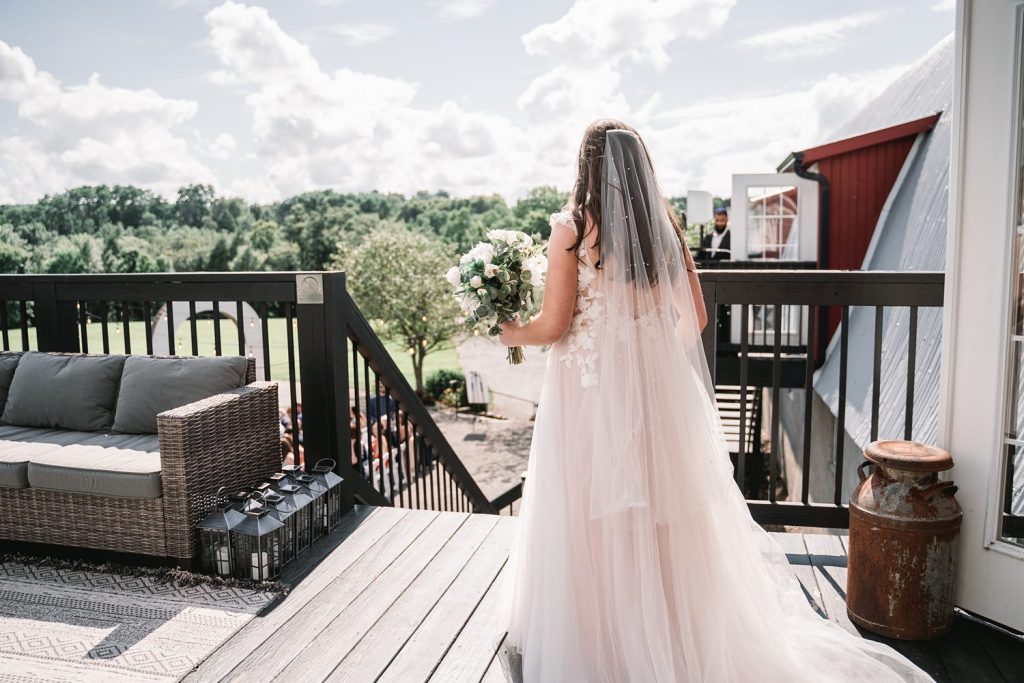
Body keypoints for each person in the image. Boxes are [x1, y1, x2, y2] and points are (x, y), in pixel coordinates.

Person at [493, 119, 933, 682]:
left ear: (587, 167)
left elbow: (553, 326)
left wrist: (509, 332)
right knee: (657, 514)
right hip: (650, 401)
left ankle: (598, 635)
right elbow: (694, 318)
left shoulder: (572, 229)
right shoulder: (665, 234)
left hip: (584, 397)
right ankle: (664, 631)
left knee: (588, 511)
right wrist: (649, 365)